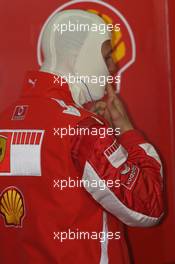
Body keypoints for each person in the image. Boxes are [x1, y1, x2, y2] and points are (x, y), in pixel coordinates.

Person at [0, 10, 163, 264]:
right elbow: (148, 206)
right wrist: (128, 132)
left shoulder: (6, 120)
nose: (113, 66)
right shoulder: (83, 128)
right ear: (82, 57)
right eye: (107, 55)